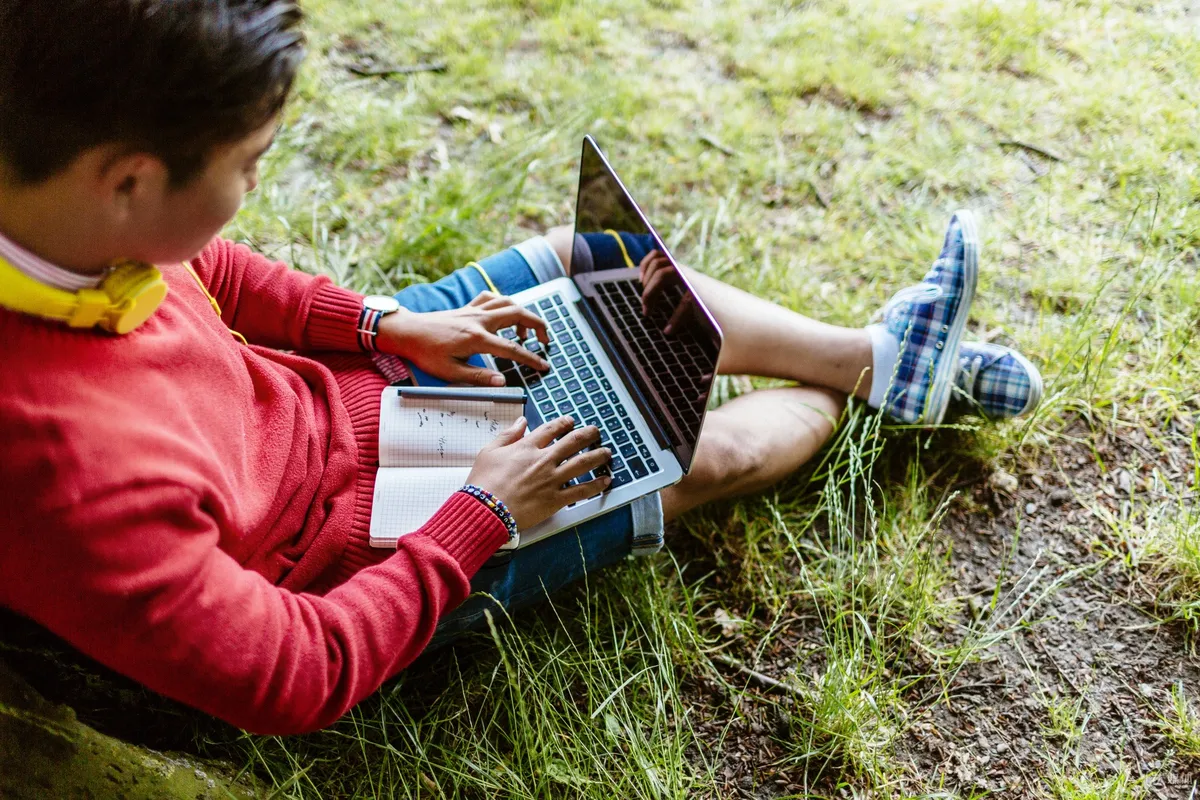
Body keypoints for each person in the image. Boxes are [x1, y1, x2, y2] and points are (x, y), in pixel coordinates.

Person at [0, 0, 1042, 736]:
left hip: (357, 395)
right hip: (366, 533)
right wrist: (480, 513)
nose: (253, 186)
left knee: (589, 267)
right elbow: (295, 670)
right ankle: (855, 396)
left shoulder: (64, 219)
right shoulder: (64, 473)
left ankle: (885, 362)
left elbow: (212, 267)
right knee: (681, 456)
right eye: (249, 163)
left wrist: (385, 325)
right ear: (130, 180)